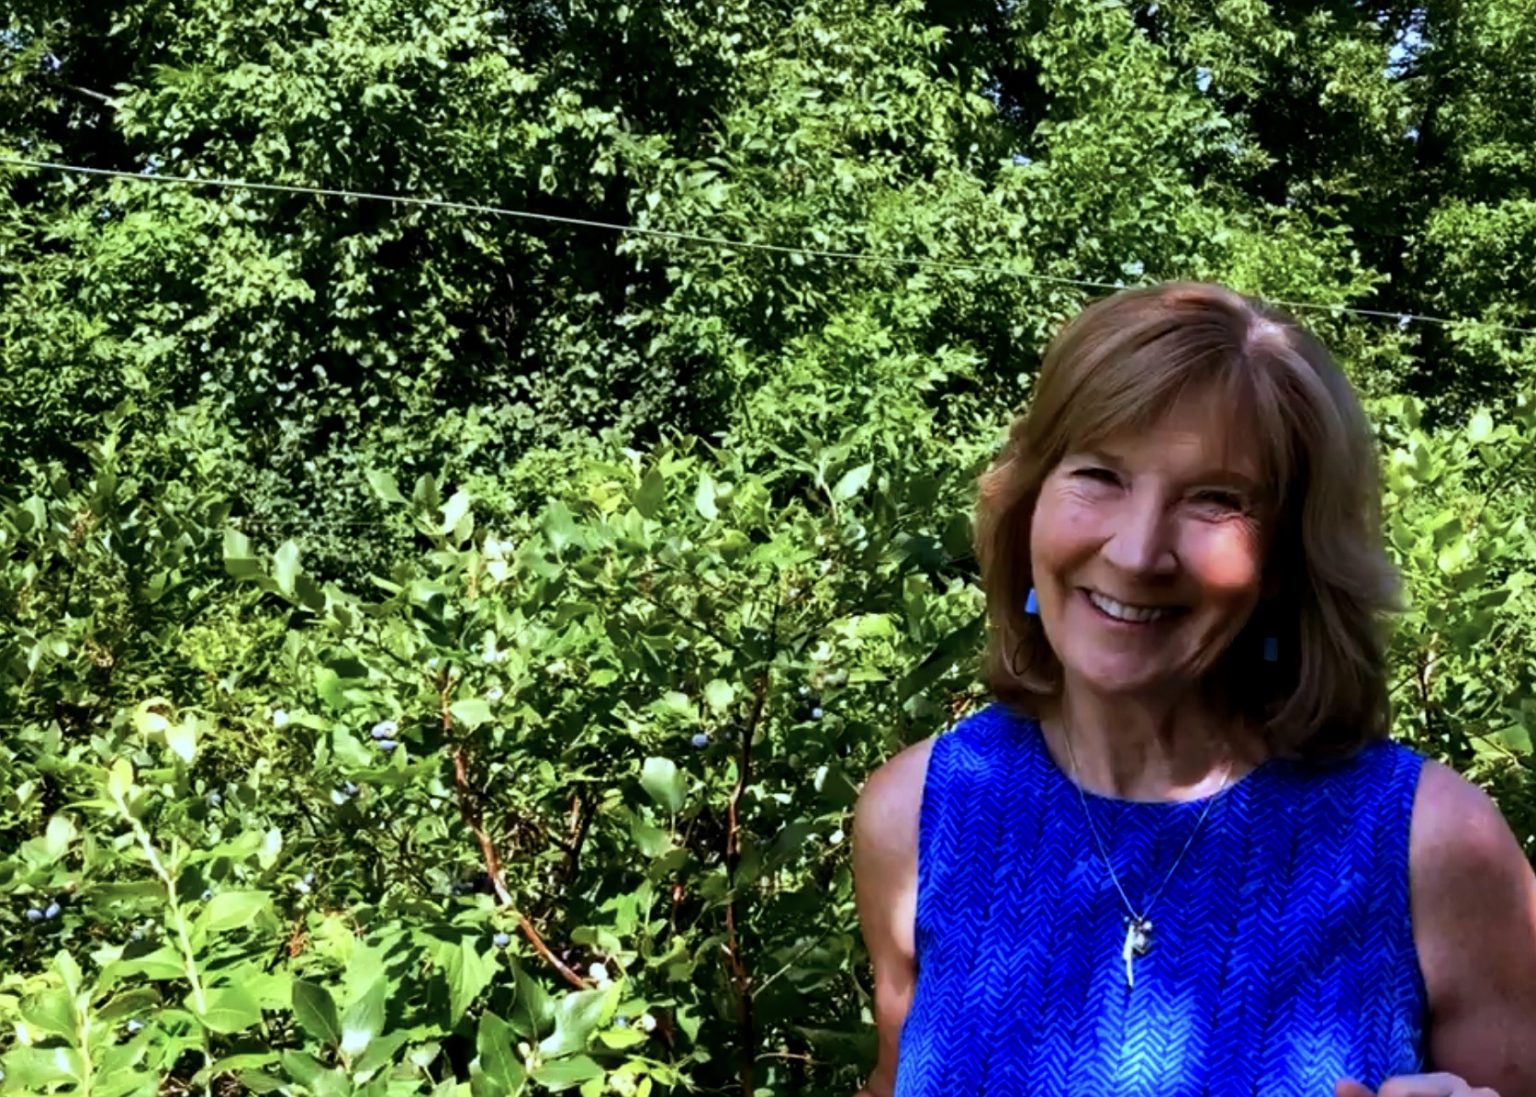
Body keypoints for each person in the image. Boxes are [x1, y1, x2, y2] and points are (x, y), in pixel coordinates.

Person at [851, 283, 1536, 1096]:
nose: (1138, 553)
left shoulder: (1437, 846)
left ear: (1291, 558)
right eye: (1100, 473)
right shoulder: (919, 815)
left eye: (1217, 498)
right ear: (1031, 504)